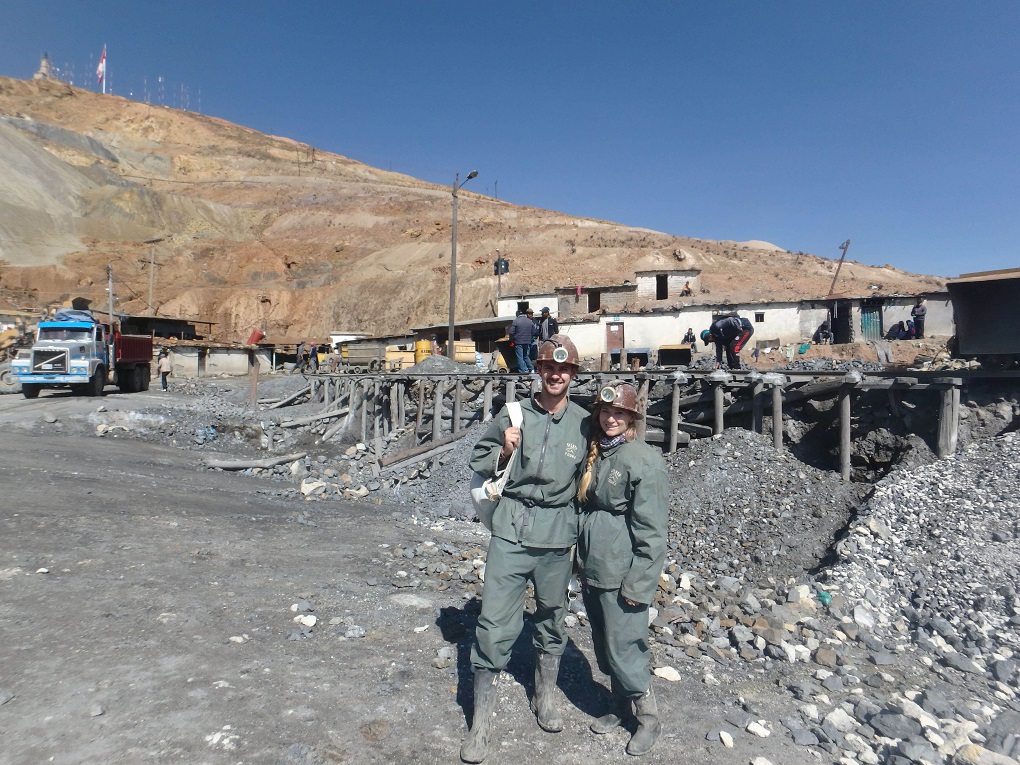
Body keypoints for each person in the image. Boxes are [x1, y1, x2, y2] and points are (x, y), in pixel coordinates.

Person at [462, 335, 590, 763]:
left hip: (558, 535)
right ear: (538, 371)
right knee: (495, 620)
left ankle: (545, 695)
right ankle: (481, 720)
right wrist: (503, 448)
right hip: (512, 530)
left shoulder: (585, 422)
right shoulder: (513, 413)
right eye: (548, 368)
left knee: (553, 617)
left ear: (572, 375)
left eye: (564, 370)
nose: (556, 375)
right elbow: (478, 461)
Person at [576, 381, 668, 756]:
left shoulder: (644, 460)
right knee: (604, 642)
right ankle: (618, 707)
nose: (611, 418)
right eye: (605, 412)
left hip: (621, 569)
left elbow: (652, 532)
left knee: (626, 646)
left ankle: (648, 718)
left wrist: (639, 583)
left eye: (620, 413)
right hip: (594, 565)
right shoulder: (598, 452)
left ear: (632, 418)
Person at [509, 309, 536, 374]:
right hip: (527, 342)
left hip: (518, 342)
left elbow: (511, 332)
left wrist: (511, 341)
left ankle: (523, 371)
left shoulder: (516, 321)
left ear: (517, 315)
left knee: (520, 357)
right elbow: (533, 332)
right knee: (526, 356)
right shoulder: (530, 321)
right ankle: (531, 369)